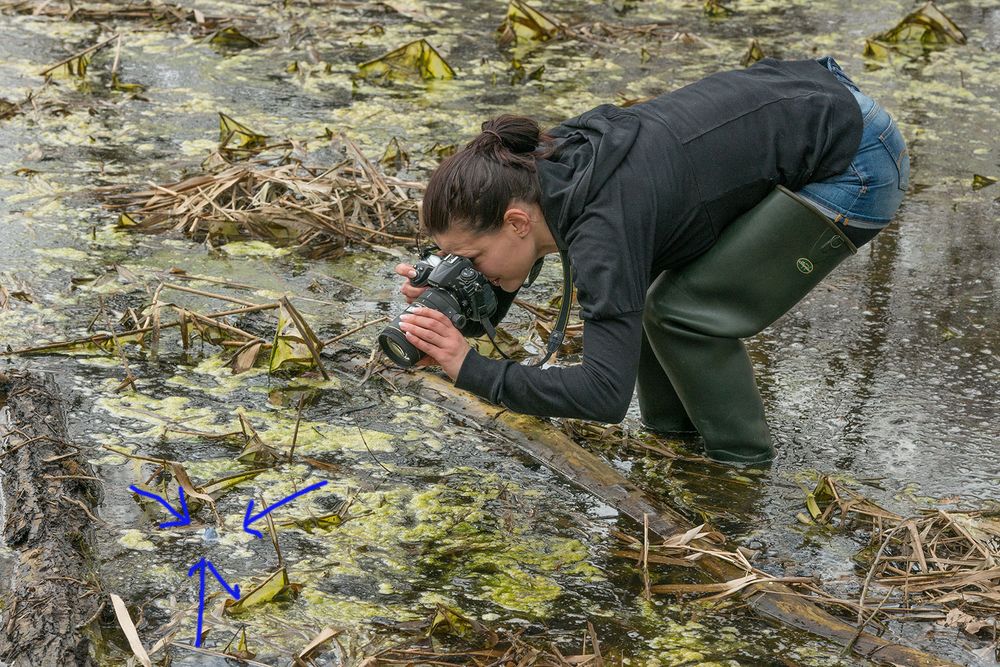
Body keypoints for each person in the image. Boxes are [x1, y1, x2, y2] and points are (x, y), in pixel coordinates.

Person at [392, 56, 909, 465]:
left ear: (517, 222)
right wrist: (461, 299)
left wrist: (471, 368)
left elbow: (603, 395)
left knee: (682, 313)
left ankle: (739, 470)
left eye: (471, 258)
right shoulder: (544, 168)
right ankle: (677, 446)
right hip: (808, 97)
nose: (467, 266)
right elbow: (520, 266)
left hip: (855, 158)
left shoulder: (602, 228)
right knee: (646, 302)